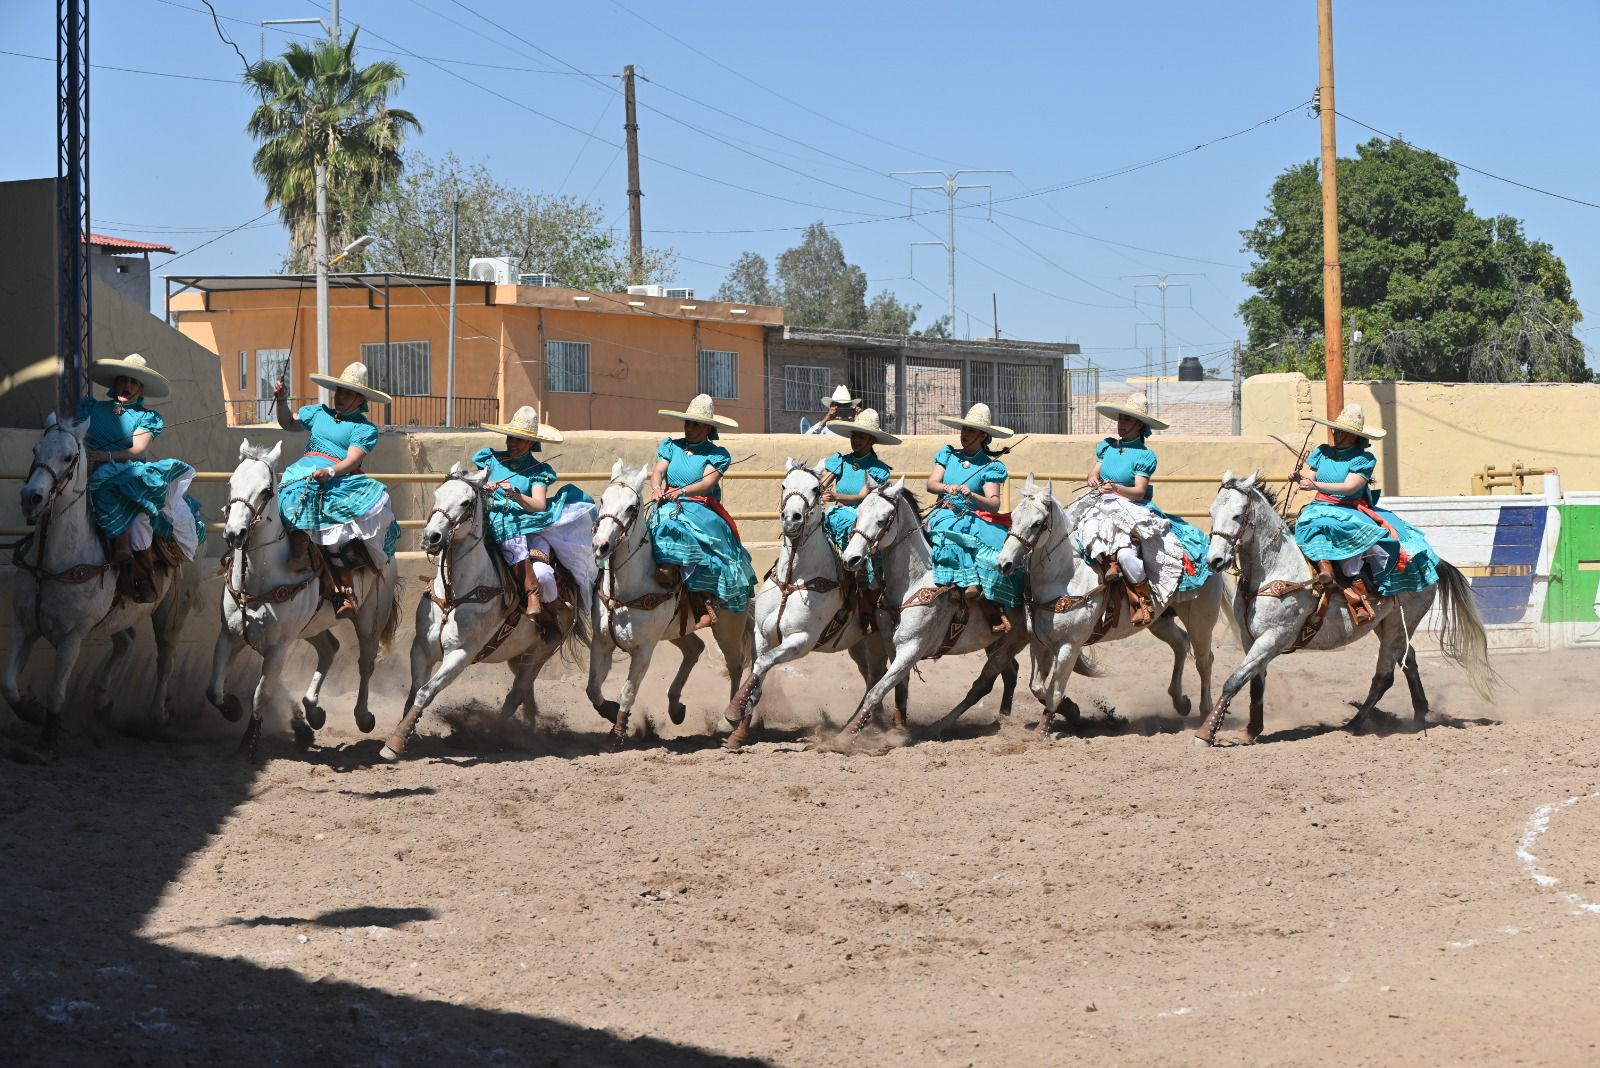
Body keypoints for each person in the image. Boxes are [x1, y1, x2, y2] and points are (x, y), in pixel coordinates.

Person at [1292, 403, 1438, 625]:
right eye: (1335, 429)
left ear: (1353, 436)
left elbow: (1350, 487)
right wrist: (1301, 479)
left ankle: (1359, 594)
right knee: (1305, 529)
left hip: (1346, 509)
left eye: (1341, 431)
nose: (1335, 433)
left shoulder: (1364, 459)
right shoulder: (1321, 452)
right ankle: (1324, 570)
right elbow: (1310, 476)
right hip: (1318, 507)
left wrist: (1314, 484)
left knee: (1347, 534)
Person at [274, 362, 399, 620]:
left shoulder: (363, 428)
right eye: (338, 391)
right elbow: (287, 422)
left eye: (346, 393)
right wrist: (282, 400)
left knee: (338, 535)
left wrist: (330, 472)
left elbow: (352, 460)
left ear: (360, 399)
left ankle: (344, 590)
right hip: (304, 470)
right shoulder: (318, 413)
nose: (340, 397)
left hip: (338, 478)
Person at [78, 353, 205, 602]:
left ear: (140, 389)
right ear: (115, 384)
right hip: (85, 473)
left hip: (127, 475)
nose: (127, 386)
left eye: (133, 382)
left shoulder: (147, 417)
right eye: (123, 380)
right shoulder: (91, 408)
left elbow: (137, 451)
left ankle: (142, 574)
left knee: (137, 520)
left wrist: (102, 457)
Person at [1084, 392, 1213, 626]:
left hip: (1131, 507)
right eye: (1120, 419)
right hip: (1100, 502)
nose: (1121, 425)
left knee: (1126, 555)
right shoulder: (1107, 447)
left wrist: (1117, 488)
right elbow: (1094, 472)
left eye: (1127, 420)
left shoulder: (1144, 455)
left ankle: (1142, 599)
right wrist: (1093, 479)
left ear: (1139, 424)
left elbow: (1139, 491)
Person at [472, 406, 596, 624]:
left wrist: (516, 495)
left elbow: (538, 505)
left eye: (519, 440)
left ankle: (550, 613)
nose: (512, 443)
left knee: (543, 574)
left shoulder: (538, 471)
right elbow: (474, 484)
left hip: (526, 527)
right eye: (511, 438)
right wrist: (484, 486)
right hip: (489, 522)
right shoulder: (490, 460)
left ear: (531, 443)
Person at [650, 393, 757, 629]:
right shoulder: (671, 446)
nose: (689, 428)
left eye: (695, 424)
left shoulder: (716, 454)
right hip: (666, 503)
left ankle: (702, 601)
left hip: (699, 507)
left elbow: (707, 484)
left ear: (707, 428)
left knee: (677, 526)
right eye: (687, 423)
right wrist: (657, 488)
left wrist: (681, 492)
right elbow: (658, 471)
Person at [926, 403, 1020, 635]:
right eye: (964, 429)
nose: (965, 434)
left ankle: (987, 603)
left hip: (971, 518)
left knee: (992, 558)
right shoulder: (948, 455)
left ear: (983, 436)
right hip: (942, 513)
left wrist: (973, 495)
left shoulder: (991, 467)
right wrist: (948, 488)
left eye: (971, 431)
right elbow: (931, 484)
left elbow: (994, 503)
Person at [821, 407, 898, 633]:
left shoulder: (879, 470)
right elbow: (822, 483)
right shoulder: (839, 460)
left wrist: (836, 496)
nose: (856, 440)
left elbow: (863, 496)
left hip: (859, 518)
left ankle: (866, 607)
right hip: (834, 515)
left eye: (862, 436)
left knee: (865, 557)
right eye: (855, 435)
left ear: (872, 440)